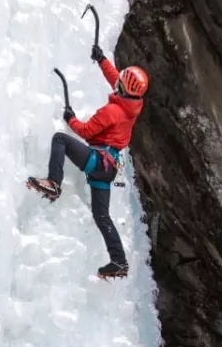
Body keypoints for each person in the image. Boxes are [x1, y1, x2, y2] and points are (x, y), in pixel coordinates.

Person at [27, 46, 149, 280]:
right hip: (108, 170)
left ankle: (54, 182)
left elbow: (84, 131)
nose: (118, 81)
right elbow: (117, 80)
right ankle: (119, 262)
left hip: (97, 162)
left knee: (60, 139)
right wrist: (102, 60)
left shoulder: (112, 111)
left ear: (124, 88)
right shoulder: (133, 104)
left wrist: (69, 118)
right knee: (101, 216)